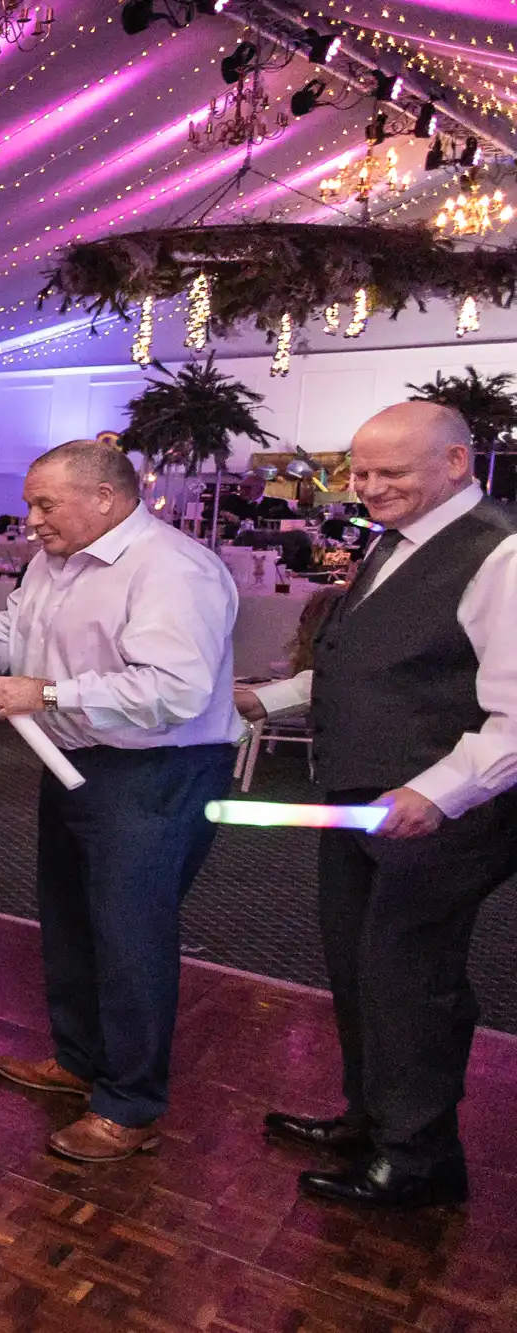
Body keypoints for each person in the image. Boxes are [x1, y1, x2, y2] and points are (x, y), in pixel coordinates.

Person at [238, 402, 517, 1209]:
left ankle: (421, 1156)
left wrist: (436, 792)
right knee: (357, 963)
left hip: (448, 805)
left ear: (458, 463)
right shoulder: (394, 540)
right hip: (362, 792)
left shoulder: (499, 552)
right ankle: (372, 1118)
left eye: (390, 472)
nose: (367, 487)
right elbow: (377, 663)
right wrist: (274, 697)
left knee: (409, 976)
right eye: (360, 472)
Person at [0, 439, 241, 1163]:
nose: (31, 519)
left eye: (46, 503)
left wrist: (46, 692)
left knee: (130, 932)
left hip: (158, 770)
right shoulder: (53, 561)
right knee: (70, 917)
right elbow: (19, 632)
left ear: (106, 497)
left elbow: (174, 689)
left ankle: (129, 1103)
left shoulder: (173, 568)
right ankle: (79, 1059)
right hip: (75, 757)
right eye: (30, 503)